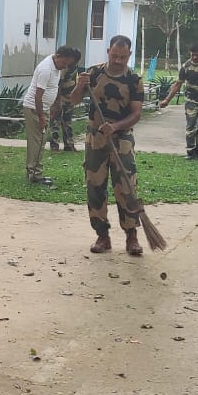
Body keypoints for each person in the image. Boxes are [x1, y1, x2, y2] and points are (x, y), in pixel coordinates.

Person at [72, 35, 145, 256]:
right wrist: (79, 86)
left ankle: (131, 235)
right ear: (108, 52)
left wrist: (115, 127)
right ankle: (102, 235)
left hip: (122, 139)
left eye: (123, 57)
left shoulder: (133, 79)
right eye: (114, 56)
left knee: (127, 186)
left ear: (129, 55)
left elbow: (136, 114)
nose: (118, 61)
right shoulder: (93, 74)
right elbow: (73, 100)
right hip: (96, 138)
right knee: (95, 186)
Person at [22, 46, 82, 184]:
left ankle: (34, 172)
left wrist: (55, 105)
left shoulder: (56, 66)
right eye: (64, 63)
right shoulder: (46, 69)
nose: (65, 66)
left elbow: (54, 87)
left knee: (40, 141)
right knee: (37, 142)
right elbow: (38, 97)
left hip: (43, 108)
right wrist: (41, 116)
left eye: (67, 64)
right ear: (58, 56)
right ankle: (35, 175)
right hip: (34, 109)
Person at [157, 44, 198, 158]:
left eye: (197, 55)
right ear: (190, 54)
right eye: (192, 55)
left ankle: (197, 150)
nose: (195, 58)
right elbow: (178, 84)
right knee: (191, 125)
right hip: (191, 100)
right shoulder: (186, 67)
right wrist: (167, 100)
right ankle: (190, 150)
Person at [49, 58, 81, 152]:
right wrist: (57, 101)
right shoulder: (64, 68)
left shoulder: (75, 67)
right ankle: (54, 145)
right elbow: (58, 84)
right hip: (60, 98)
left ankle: (69, 145)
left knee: (67, 122)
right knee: (55, 122)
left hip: (69, 99)